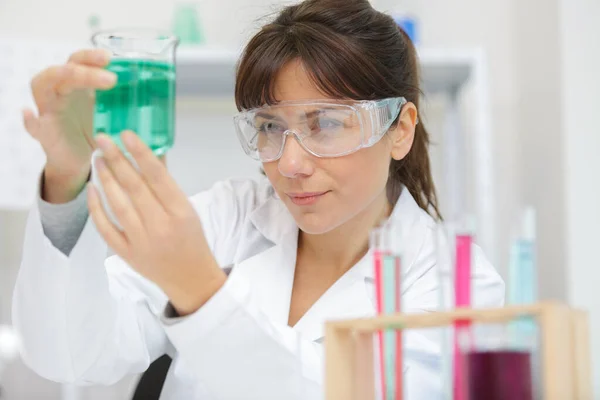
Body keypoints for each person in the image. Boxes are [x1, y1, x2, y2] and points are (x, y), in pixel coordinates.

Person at [12, 0, 504, 399]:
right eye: (271, 127)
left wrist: (199, 290)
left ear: (399, 130)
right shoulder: (230, 217)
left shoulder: (456, 285)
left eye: (325, 123)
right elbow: (69, 353)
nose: (289, 163)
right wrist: (66, 179)